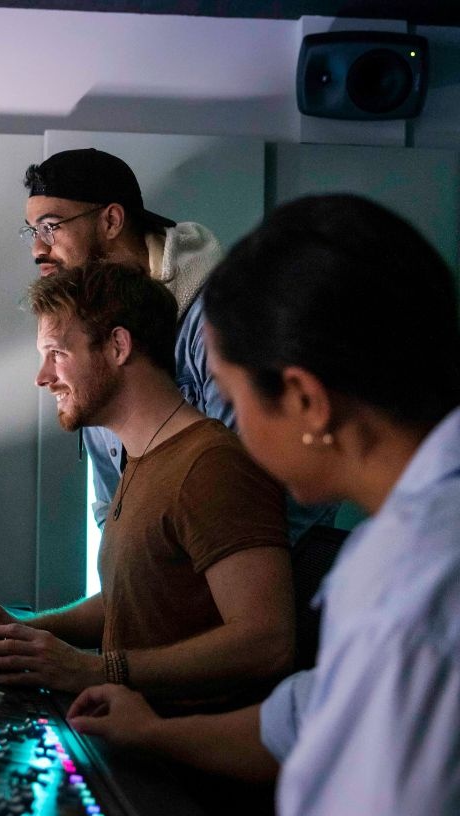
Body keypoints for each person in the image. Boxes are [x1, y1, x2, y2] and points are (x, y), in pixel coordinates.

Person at [65, 194, 460, 814]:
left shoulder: (413, 596)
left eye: (229, 397)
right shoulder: (403, 541)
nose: (230, 426)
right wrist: (154, 732)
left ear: (305, 401)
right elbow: (304, 717)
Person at [0, 260, 294, 710]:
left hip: (177, 766)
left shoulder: (211, 466)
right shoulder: (144, 459)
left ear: (119, 346)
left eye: (57, 354)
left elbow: (268, 642)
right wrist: (29, 626)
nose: (42, 377)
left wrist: (93, 670)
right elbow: (135, 599)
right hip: (129, 744)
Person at [21, 147, 335, 541]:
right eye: (32, 232)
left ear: (112, 220)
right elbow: (112, 510)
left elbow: (259, 491)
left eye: (51, 227)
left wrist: (195, 584)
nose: (37, 249)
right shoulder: (89, 334)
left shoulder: (220, 318)